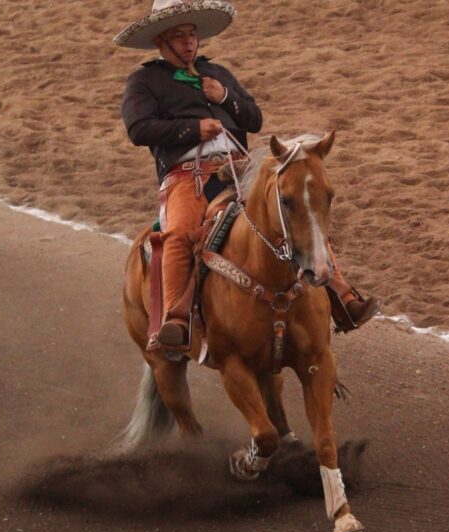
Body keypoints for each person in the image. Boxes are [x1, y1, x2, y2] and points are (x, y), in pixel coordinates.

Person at [115, 0, 379, 351]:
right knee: (178, 233)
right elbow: (139, 129)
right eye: (178, 36)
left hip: (241, 165)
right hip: (187, 174)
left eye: (191, 34)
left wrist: (224, 96)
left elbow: (254, 119)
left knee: (295, 206)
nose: (188, 42)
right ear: (161, 40)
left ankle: (343, 298)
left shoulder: (219, 73)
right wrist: (192, 128)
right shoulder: (144, 81)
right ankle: (177, 318)